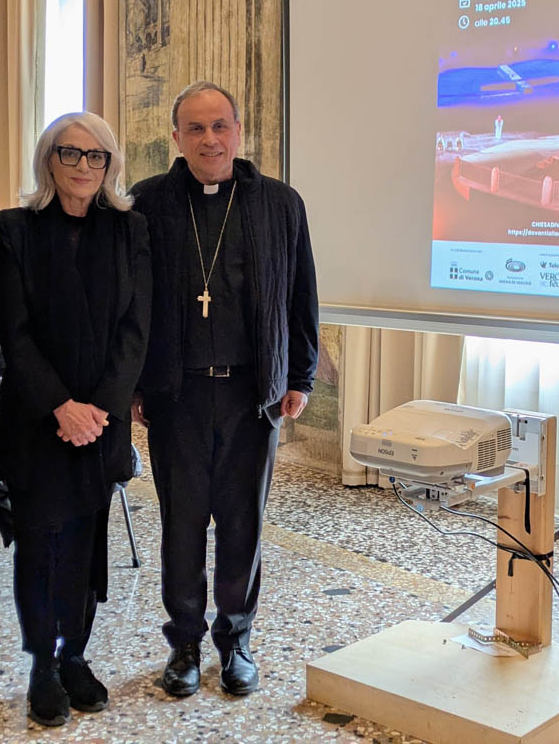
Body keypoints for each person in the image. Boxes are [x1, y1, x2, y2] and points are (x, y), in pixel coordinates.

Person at [130, 80, 319, 698]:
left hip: (250, 395)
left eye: (220, 126)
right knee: (183, 523)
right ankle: (184, 642)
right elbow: (133, 303)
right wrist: (133, 383)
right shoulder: (148, 202)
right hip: (176, 396)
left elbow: (301, 296)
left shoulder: (279, 204)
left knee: (243, 524)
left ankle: (235, 640)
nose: (209, 139)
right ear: (176, 137)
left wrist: (301, 376)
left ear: (238, 133)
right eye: (196, 128)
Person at [0, 112, 151, 726]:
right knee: (40, 545)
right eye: (70, 153)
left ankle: (75, 654)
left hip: (100, 423)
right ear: (48, 159)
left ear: (110, 165)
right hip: (39, 421)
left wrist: (101, 410)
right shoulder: (16, 229)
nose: (84, 166)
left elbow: (138, 330)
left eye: (96, 156)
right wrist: (60, 405)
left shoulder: (131, 230)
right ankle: (41, 665)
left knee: (86, 541)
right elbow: (15, 330)